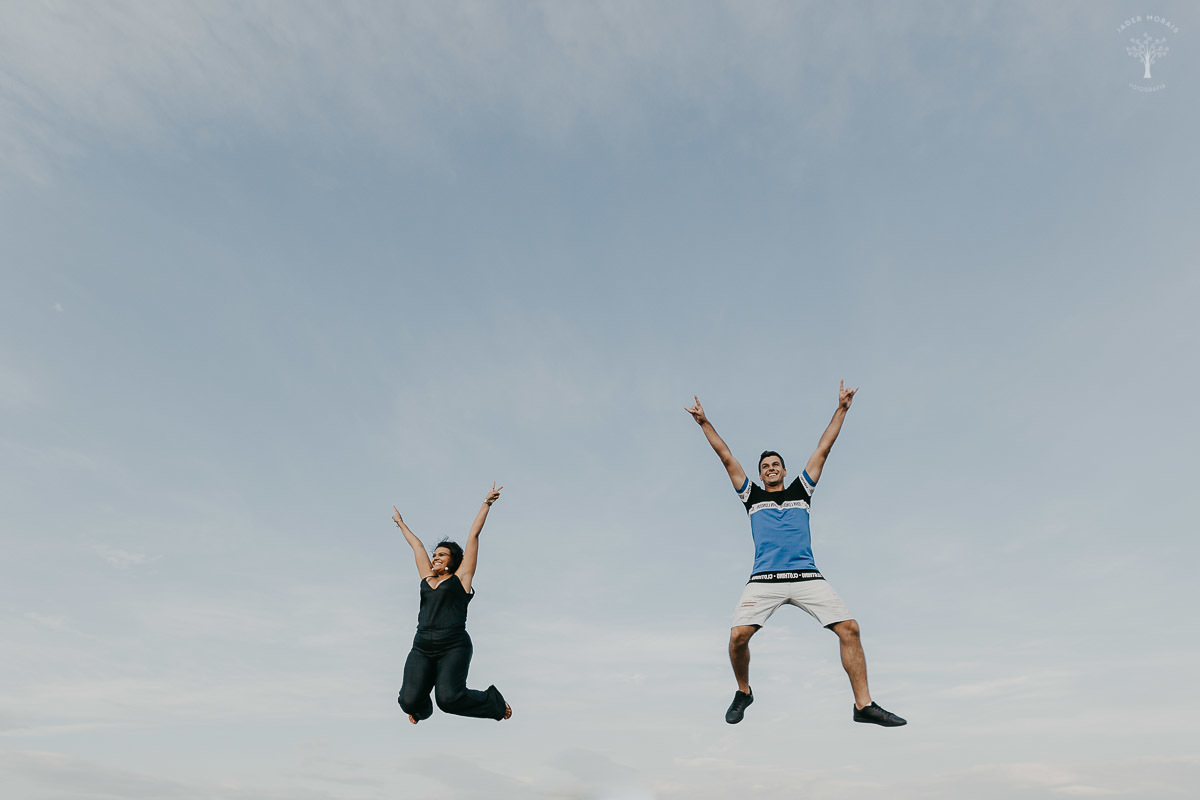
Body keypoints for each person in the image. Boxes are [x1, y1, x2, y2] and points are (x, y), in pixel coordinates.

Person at [686, 383, 906, 727]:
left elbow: (824, 447)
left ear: (785, 470)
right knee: (737, 637)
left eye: (776, 464)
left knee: (850, 629)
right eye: (765, 466)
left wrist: (842, 409)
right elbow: (726, 456)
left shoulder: (802, 491)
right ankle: (744, 691)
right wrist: (704, 423)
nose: (771, 468)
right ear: (760, 474)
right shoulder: (751, 497)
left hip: (807, 578)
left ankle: (863, 705)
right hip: (764, 581)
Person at [392, 483, 512, 724]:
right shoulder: (427, 578)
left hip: (453, 646)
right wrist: (401, 523)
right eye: (434, 554)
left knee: (448, 699)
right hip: (422, 646)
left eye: (441, 555)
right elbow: (416, 546)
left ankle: (493, 703)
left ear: (452, 561)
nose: (435, 557)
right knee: (408, 701)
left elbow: (473, 536)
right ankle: (419, 709)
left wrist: (486, 503)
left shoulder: (461, 579)